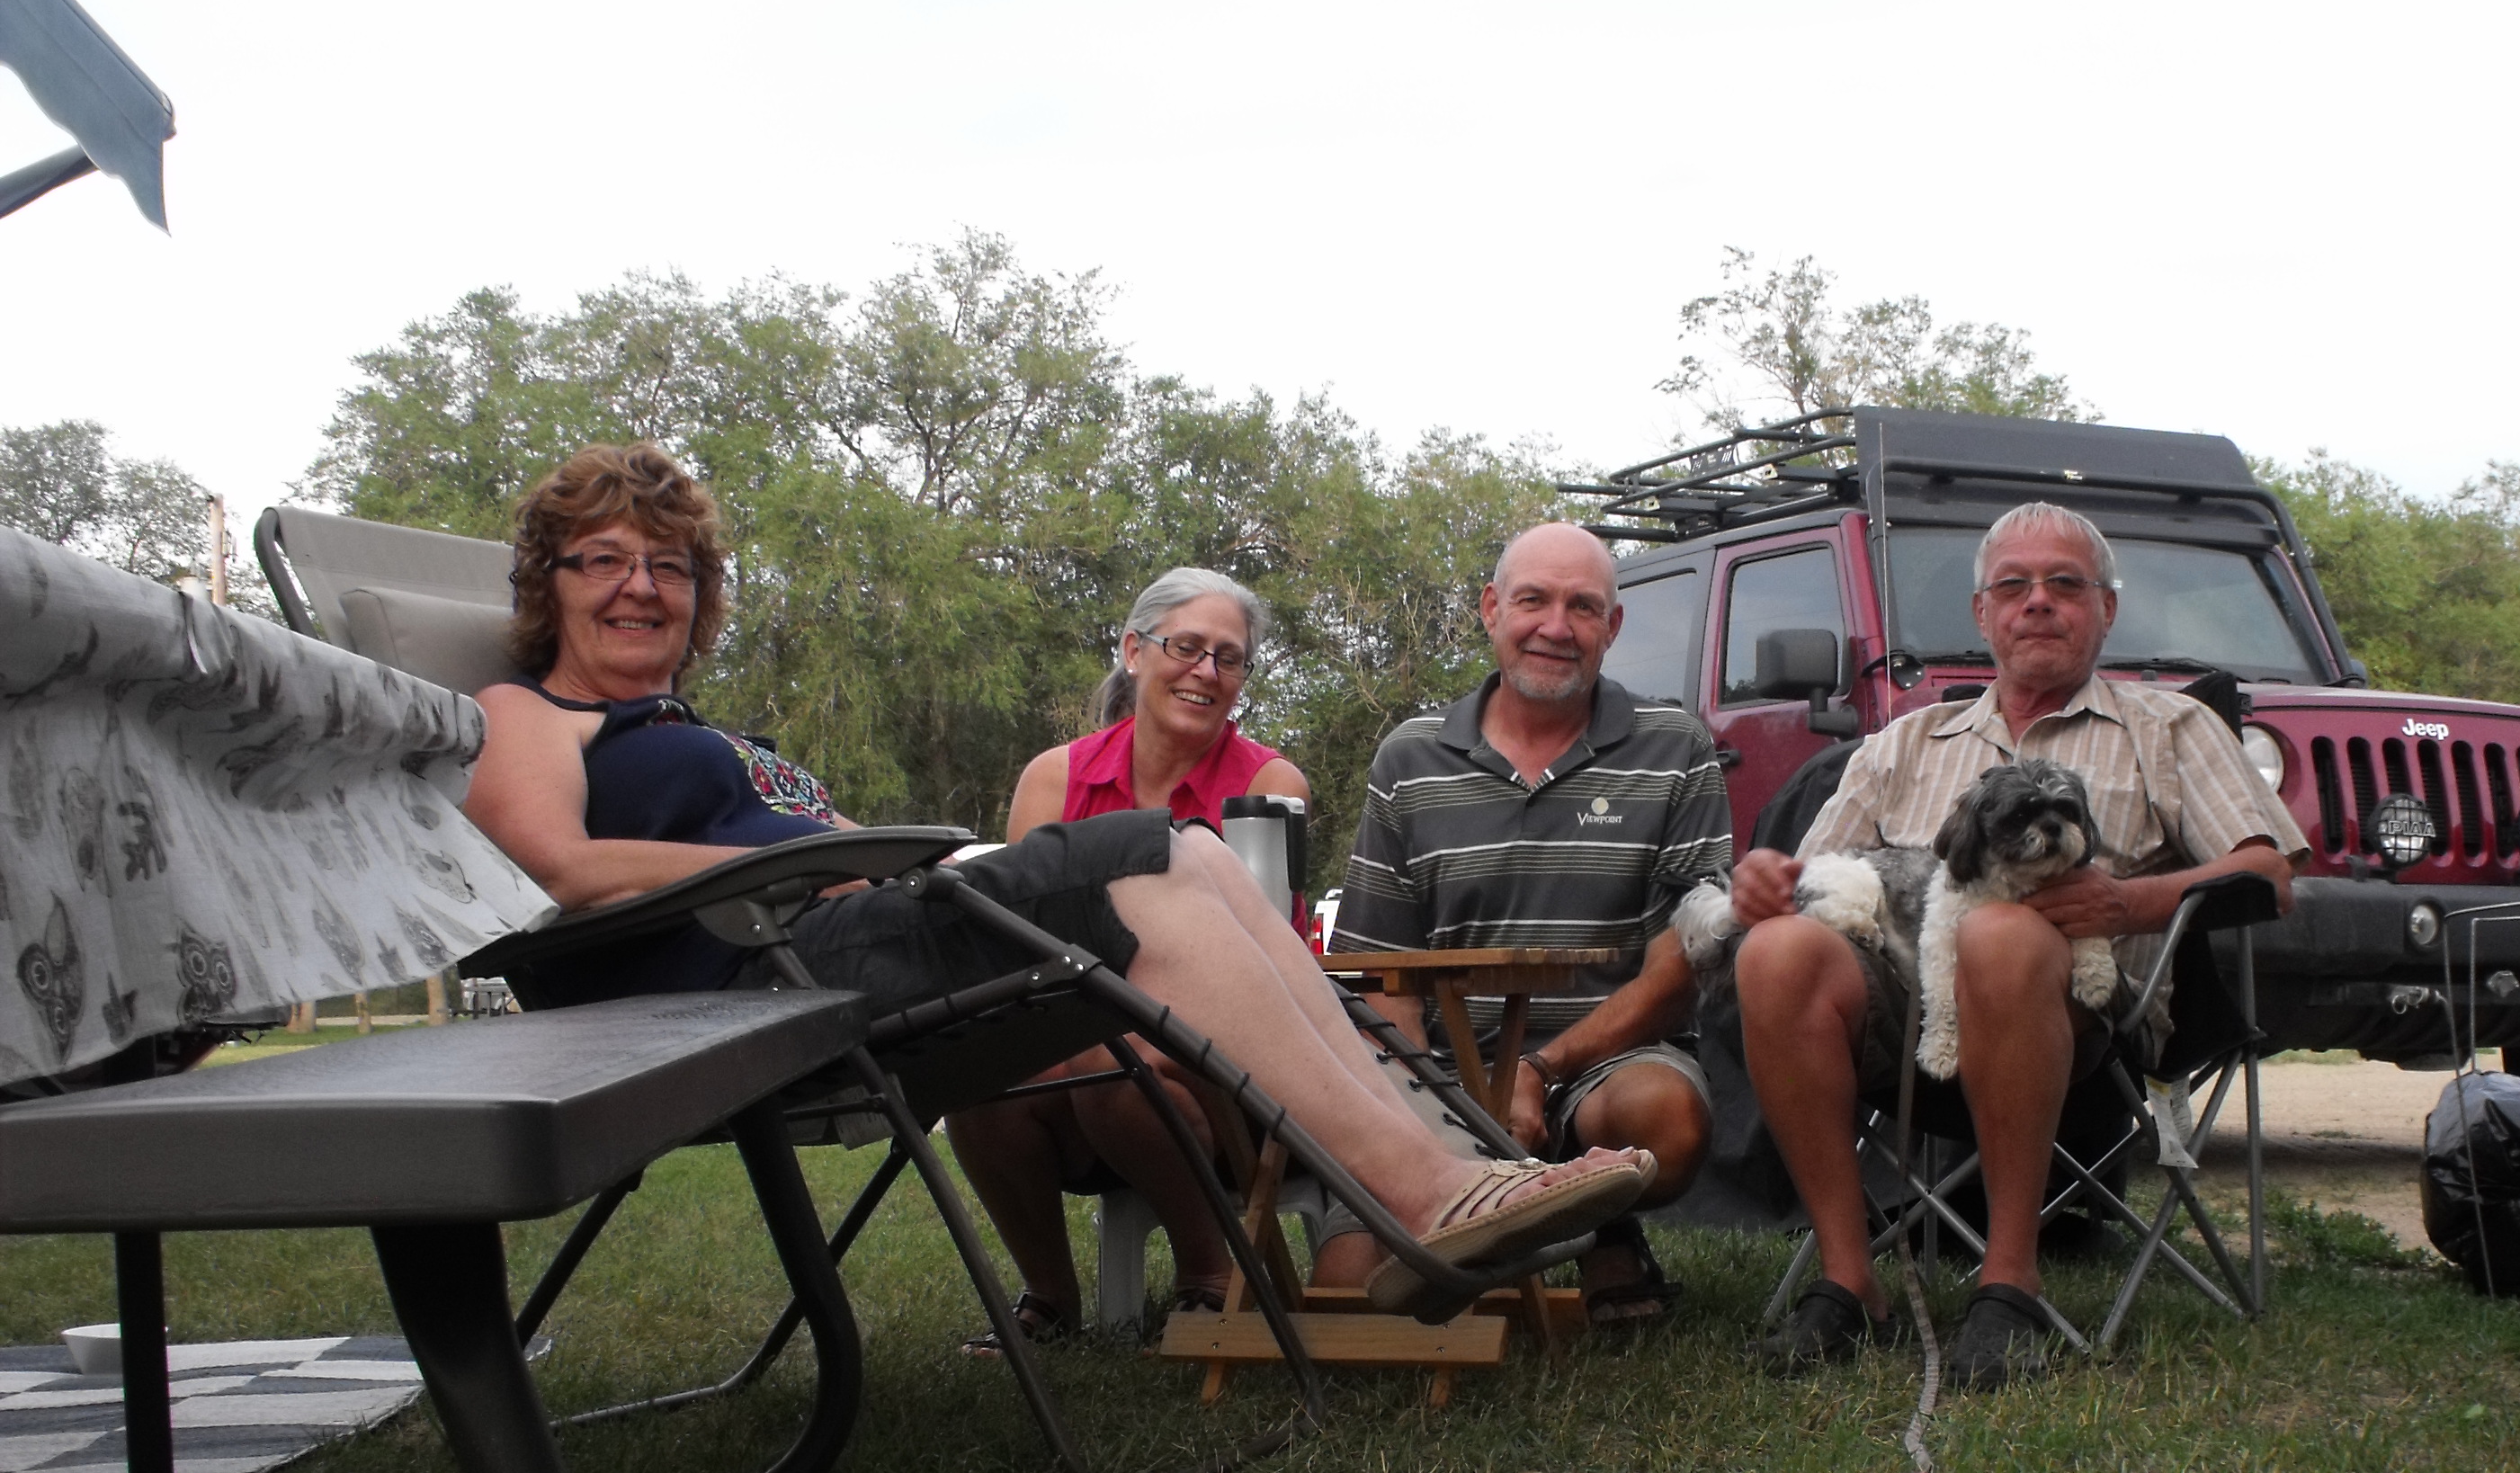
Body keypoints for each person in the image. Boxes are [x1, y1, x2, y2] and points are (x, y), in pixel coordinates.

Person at [460, 443, 1651, 1329]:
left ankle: (1432, 1185)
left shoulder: (693, 731)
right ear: (547, 584)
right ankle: (1426, 1194)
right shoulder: (527, 712)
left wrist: (882, 855)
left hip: (840, 939)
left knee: (1193, 858)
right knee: (1157, 857)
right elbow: (558, 868)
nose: (640, 587)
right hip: (758, 983)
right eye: (603, 561)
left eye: (668, 566)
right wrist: (794, 867)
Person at [1729, 500, 2304, 1388]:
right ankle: (1849, 1279)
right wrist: (1765, 879)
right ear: (1982, 613)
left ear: (2106, 609)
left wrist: (2129, 902)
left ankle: (2008, 1283)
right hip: (1906, 1011)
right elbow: (1808, 879)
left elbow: (2270, 874)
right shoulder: (1906, 741)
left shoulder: (2171, 727)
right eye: (2013, 586)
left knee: (1998, 931)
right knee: (1775, 953)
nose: (2037, 601)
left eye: (2064, 584)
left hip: (2084, 1020)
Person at [1317, 522, 1730, 1324]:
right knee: (1351, 1295)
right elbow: (1380, 971)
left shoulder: (1675, 746)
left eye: (1583, 607)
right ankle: (1570, 1227)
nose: (1556, 627)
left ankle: (1591, 1213)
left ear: (1613, 627)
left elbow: (1683, 966)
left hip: (1605, 1066)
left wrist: (1538, 1071)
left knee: (1668, 1123)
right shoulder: (1409, 757)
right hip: (1444, 1072)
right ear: (1491, 609)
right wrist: (1426, 1107)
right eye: (1533, 600)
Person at [941, 568, 1309, 1346]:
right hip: (1082, 1041)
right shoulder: (1056, 777)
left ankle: (1210, 1274)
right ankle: (1049, 1298)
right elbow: (1022, 950)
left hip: (1235, 1061)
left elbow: (1262, 966)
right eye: (1187, 647)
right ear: (1135, 652)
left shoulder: (1269, 784)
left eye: (1229, 658)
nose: (1206, 671)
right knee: (976, 1072)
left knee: (1113, 1056)